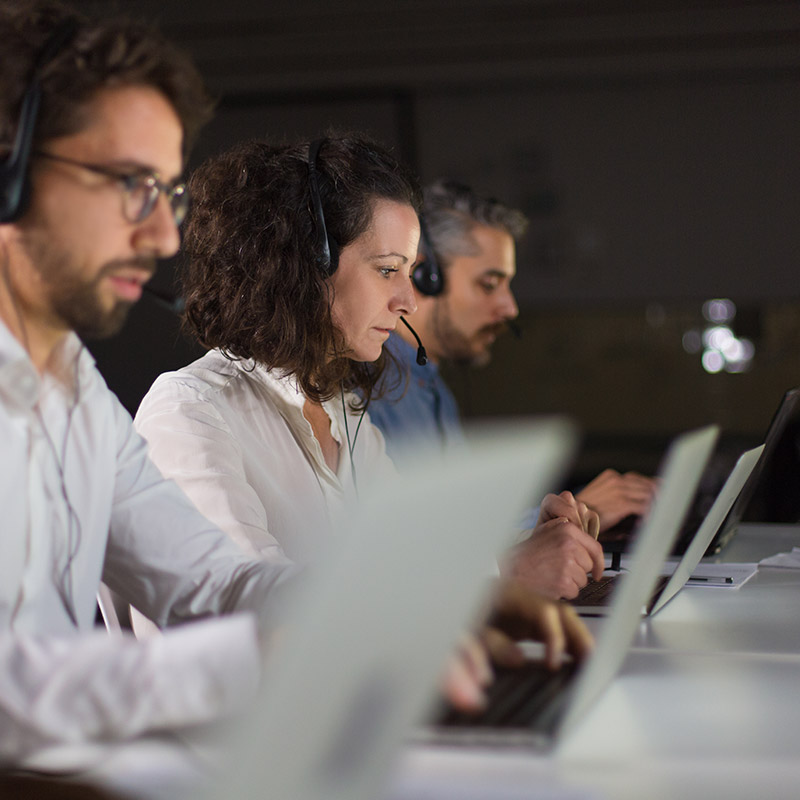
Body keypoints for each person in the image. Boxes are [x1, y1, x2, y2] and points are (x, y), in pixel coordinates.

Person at [0, 3, 591, 762]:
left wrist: (435, 609)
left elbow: (213, 582)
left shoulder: (73, 389)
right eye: (128, 184)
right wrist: (273, 655)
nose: (160, 236)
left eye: (165, 194)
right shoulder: (185, 409)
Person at [367, 179, 658, 600]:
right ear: (424, 275)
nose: (510, 307)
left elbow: (458, 531)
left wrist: (555, 522)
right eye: (489, 283)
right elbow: (406, 559)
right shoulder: (370, 389)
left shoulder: (432, 389)